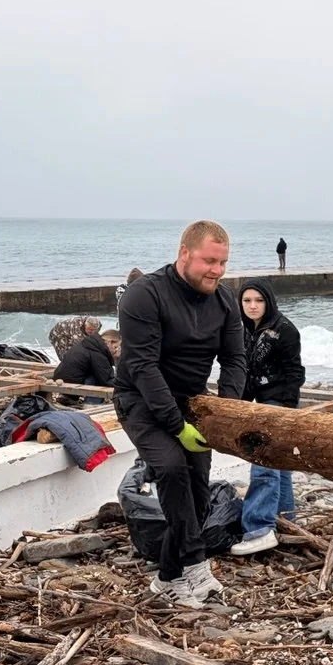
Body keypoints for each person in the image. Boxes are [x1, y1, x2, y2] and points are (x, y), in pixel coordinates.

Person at [114, 221, 246, 609]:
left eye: (223, 263)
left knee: (199, 494)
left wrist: (225, 412)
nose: (217, 271)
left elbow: (235, 359)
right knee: (172, 469)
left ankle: (166, 579)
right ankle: (195, 567)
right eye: (209, 261)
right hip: (139, 399)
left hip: (193, 401)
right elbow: (142, 366)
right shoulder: (144, 295)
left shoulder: (224, 301)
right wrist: (176, 425)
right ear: (184, 252)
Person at [228, 279, 305, 556]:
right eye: (246, 300)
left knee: (263, 459)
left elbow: (295, 372)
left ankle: (259, 527)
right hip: (254, 399)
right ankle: (285, 519)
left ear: (268, 302)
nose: (252, 306)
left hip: (279, 401)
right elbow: (241, 368)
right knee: (279, 463)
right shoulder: (240, 328)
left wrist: (284, 409)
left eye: (258, 301)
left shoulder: (285, 330)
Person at [53, 328, 120, 403]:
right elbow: (107, 380)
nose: (115, 350)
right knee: (97, 377)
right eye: (115, 347)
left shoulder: (91, 344)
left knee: (95, 371)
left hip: (60, 377)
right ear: (109, 342)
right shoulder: (97, 352)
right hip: (70, 383)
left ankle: (68, 398)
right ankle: (92, 404)